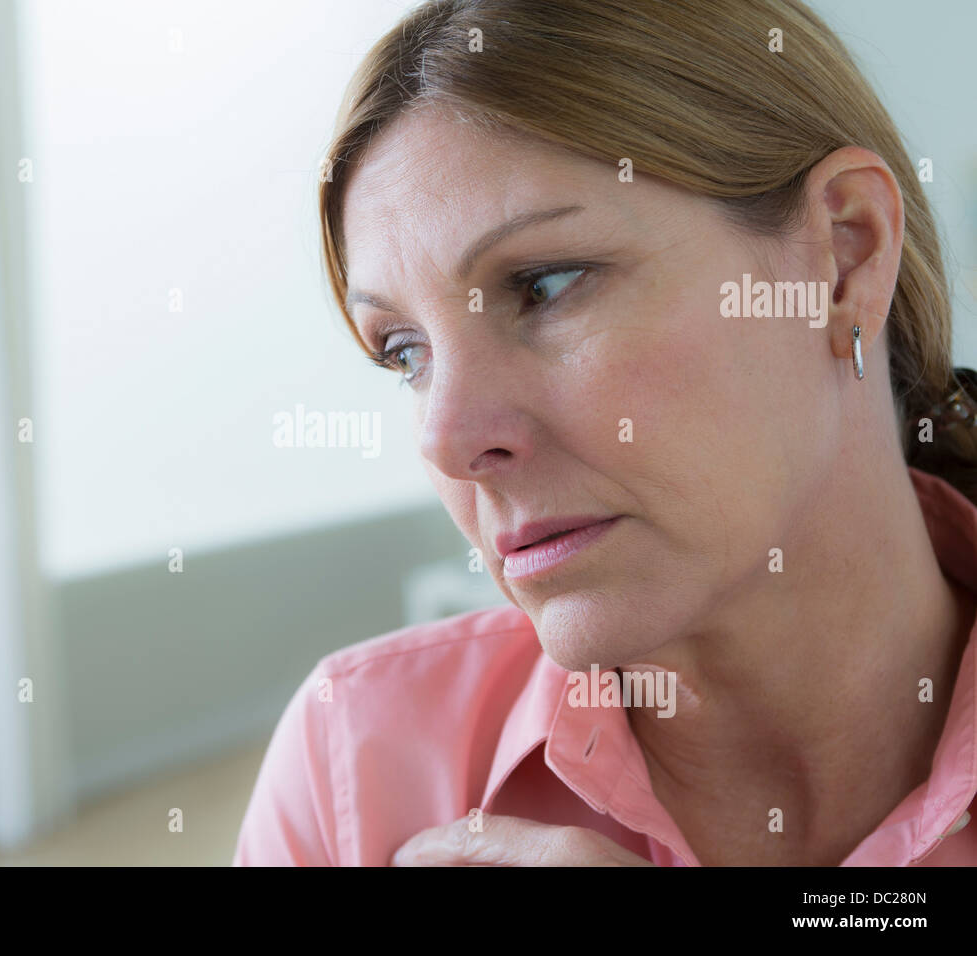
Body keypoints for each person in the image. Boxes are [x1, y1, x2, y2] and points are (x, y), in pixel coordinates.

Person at [233, 0, 977, 866]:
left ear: (842, 257)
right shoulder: (351, 762)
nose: (445, 439)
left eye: (544, 285)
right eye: (406, 353)